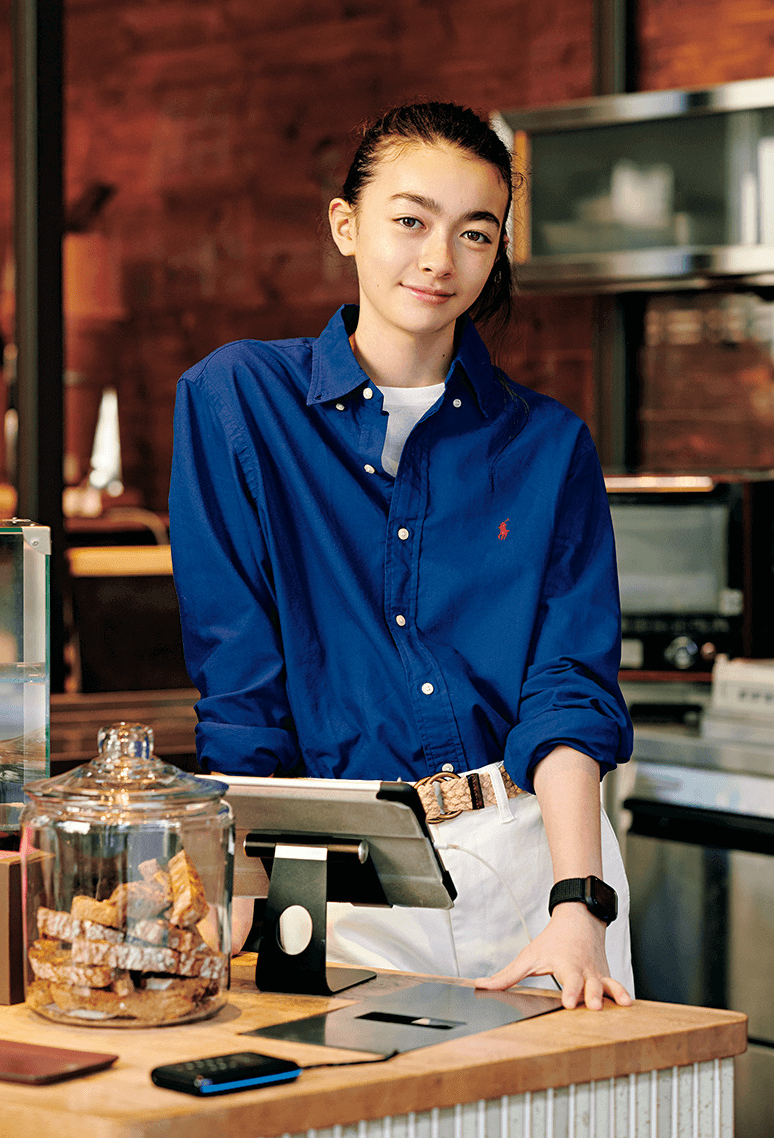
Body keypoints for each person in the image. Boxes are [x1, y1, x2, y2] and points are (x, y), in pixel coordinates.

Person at [168, 101, 634, 1010]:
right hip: (337, 865)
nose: (439, 258)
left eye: (475, 232)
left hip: (532, 865)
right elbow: (241, 686)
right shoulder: (236, 402)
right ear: (347, 225)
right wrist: (239, 901)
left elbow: (571, 687)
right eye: (410, 220)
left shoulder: (549, 445)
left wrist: (579, 903)